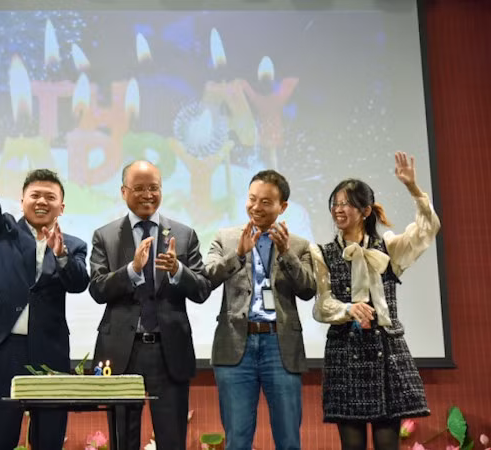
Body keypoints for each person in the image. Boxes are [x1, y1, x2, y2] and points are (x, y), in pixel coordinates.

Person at [0, 99, 90, 450]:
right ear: (22, 201)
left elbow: (79, 283)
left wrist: (60, 255)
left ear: (62, 206)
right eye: (35, 195)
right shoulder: (1, 231)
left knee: (48, 439)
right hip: (5, 347)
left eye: (50, 197)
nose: (42, 201)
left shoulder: (74, 245)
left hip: (50, 347)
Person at [310, 152, 440, 450]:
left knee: (387, 444)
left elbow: (427, 229)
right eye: (335, 203)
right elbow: (321, 305)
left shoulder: (388, 247)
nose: (338, 209)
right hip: (345, 353)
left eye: (346, 203)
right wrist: (348, 309)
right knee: (352, 446)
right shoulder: (323, 253)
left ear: (366, 210)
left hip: (387, 351)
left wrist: (413, 187)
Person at [89, 160, 211, 450]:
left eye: (154, 188)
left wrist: (178, 271)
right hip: (122, 352)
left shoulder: (184, 235)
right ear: (123, 192)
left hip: (168, 351)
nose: (147, 195)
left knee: (172, 439)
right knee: (123, 439)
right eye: (139, 188)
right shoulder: (105, 236)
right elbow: (97, 289)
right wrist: (131, 270)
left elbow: (202, 289)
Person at [204, 169, 316, 450]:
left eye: (266, 202)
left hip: (280, 345)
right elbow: (206, 279)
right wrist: (239, 254)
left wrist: (287, 253)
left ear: (283, 207)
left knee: (288, 439)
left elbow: (308, 289)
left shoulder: (299, 245)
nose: (256, 207)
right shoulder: (226, 238)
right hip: (235, 345)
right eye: (252, 199)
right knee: (237, 440)